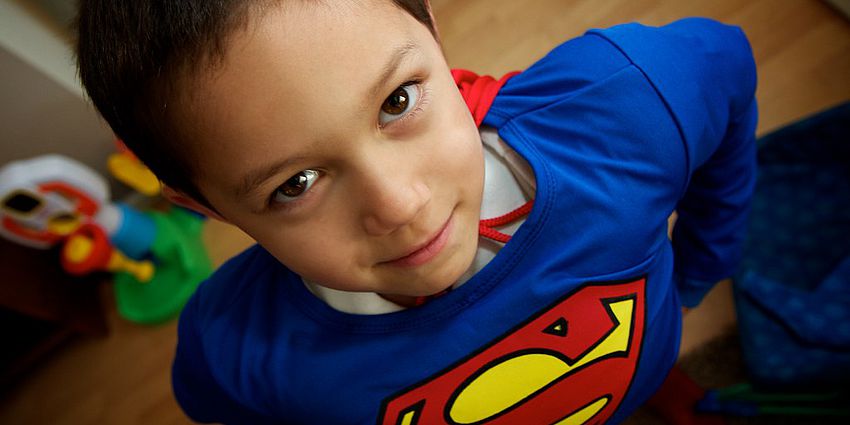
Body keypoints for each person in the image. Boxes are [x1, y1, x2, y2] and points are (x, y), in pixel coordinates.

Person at [76, 0, 757, 423]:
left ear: (429, 25)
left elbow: (728, 69)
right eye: (296, 182)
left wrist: (699, 268)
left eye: (397, 101)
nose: (401, 206)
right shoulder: (232, 349)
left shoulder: (628, 103)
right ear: (205, 206)